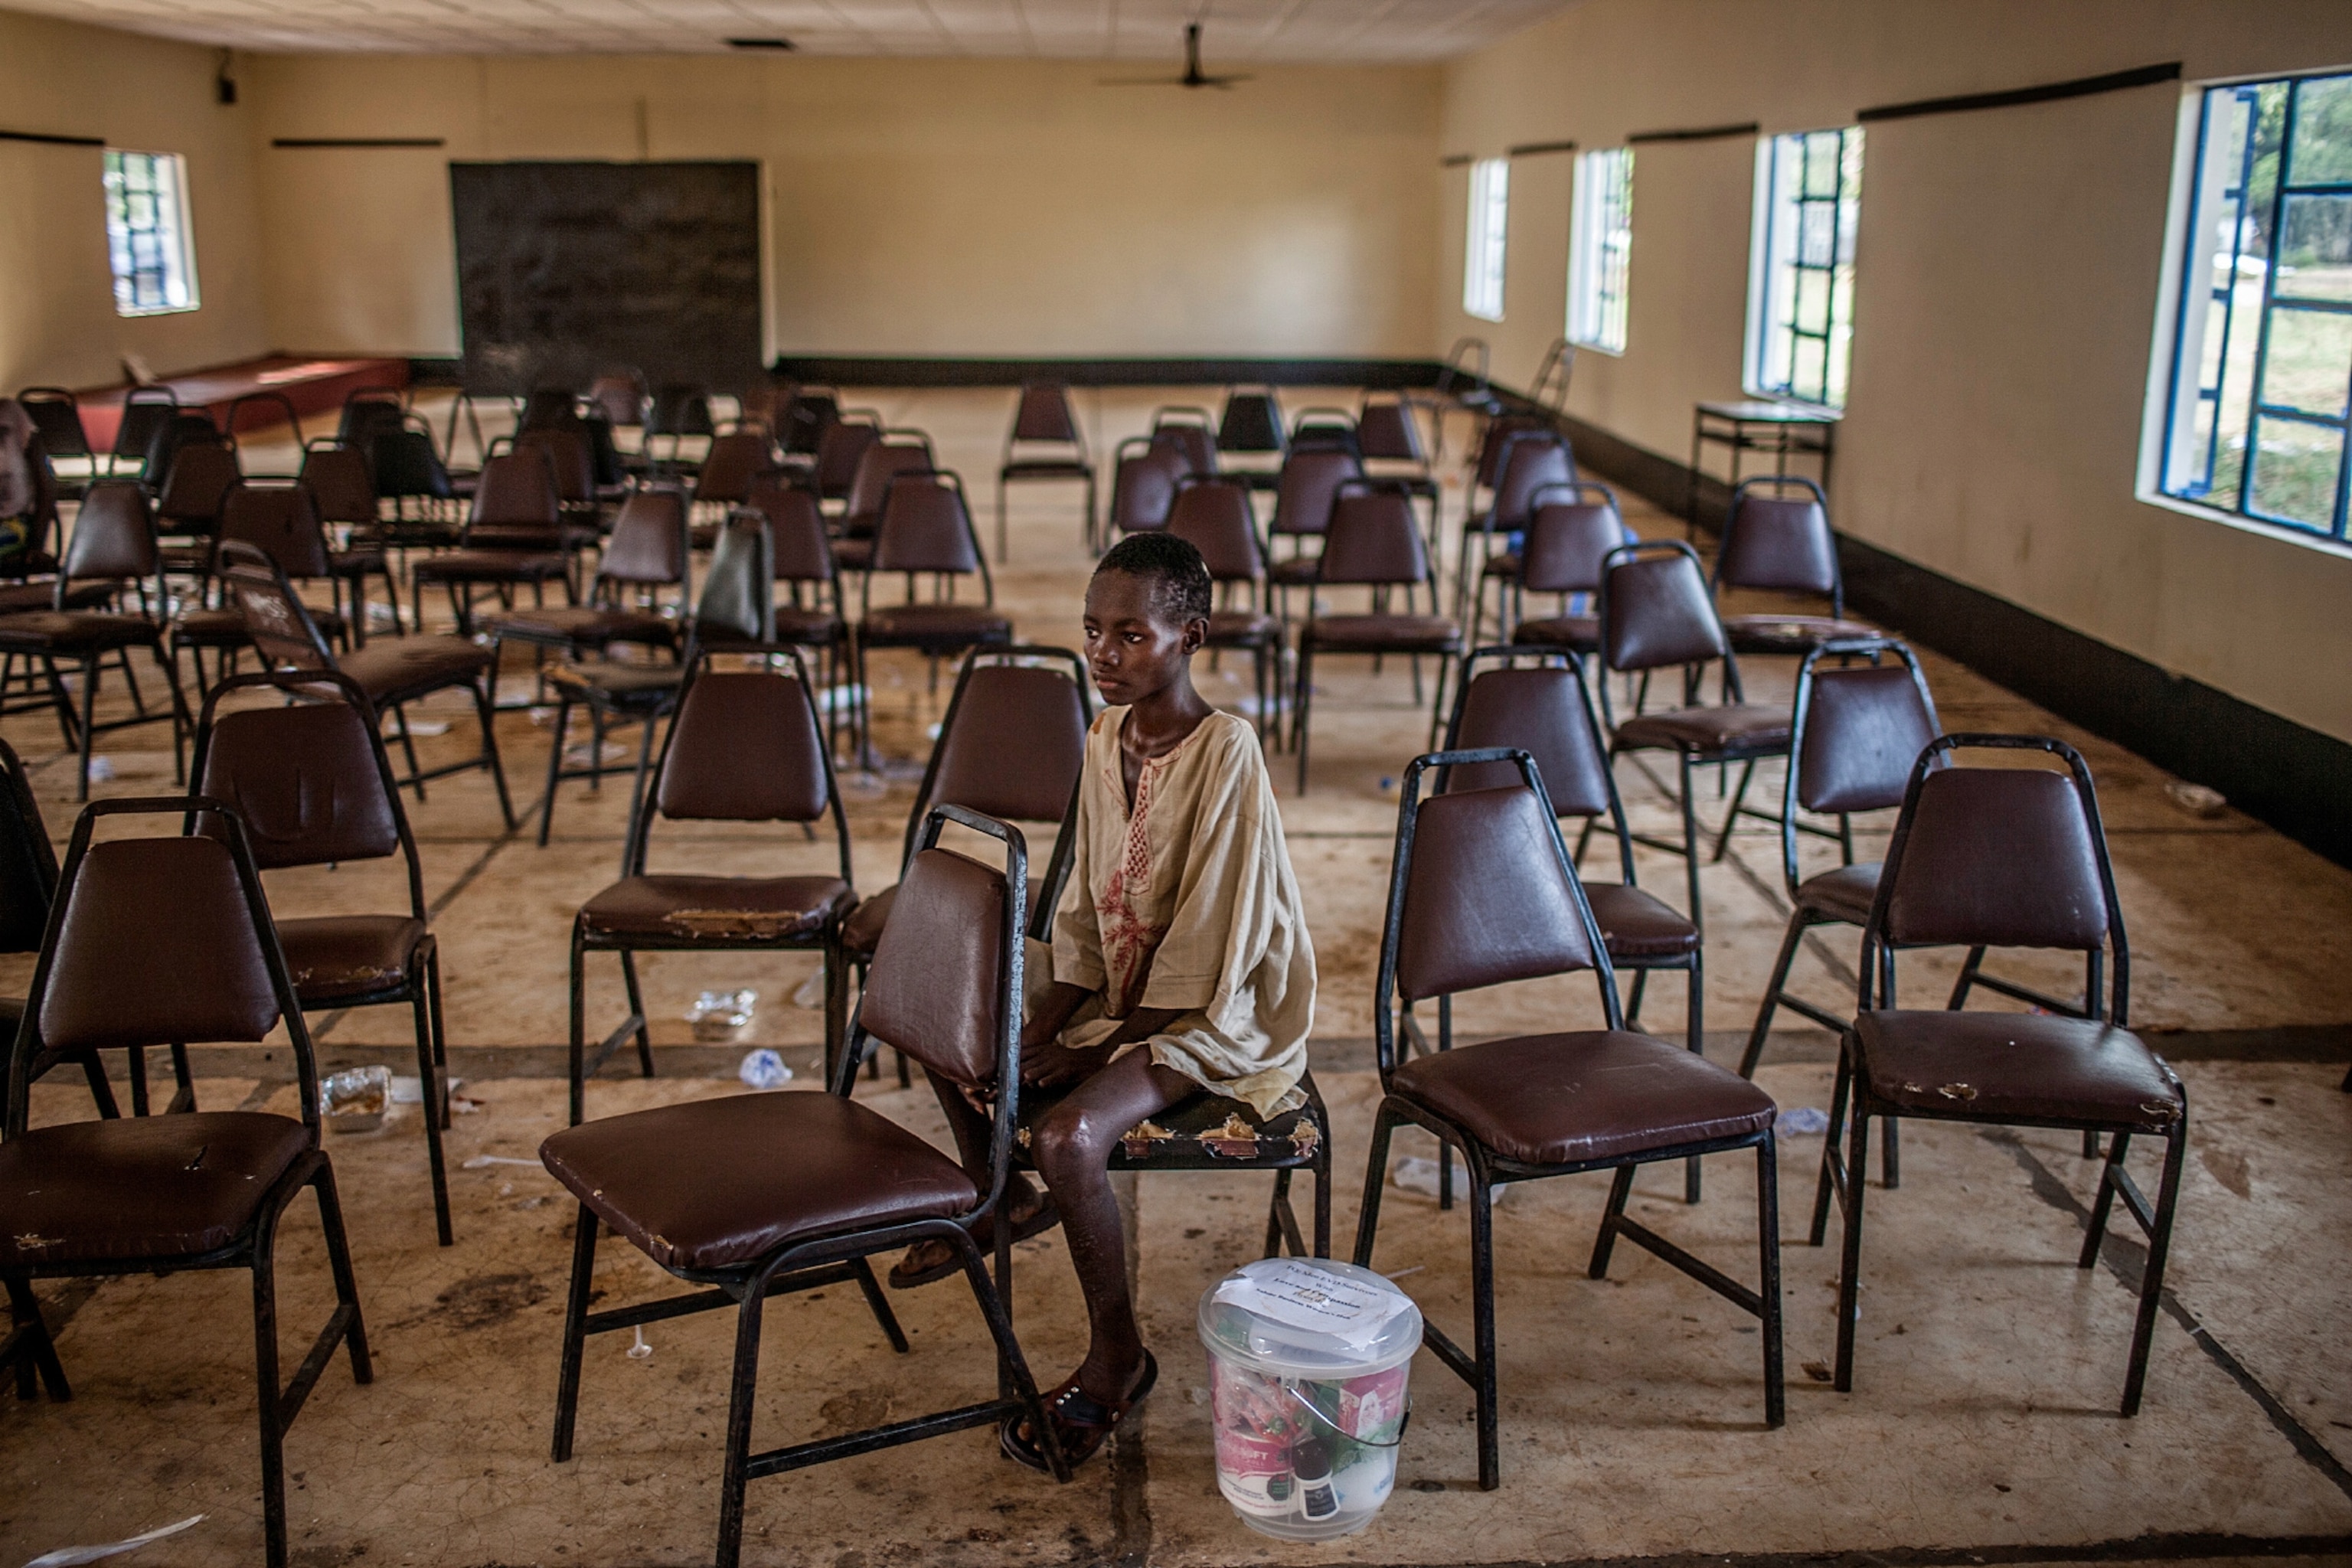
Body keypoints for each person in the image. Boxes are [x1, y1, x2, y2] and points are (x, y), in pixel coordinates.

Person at [888, 530, 1316, 1472]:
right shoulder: (1101, 732)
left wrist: (1095, 1051)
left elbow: (1217, 939)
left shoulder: (1228, 749)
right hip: (1118, 979)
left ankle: (1117, 1354)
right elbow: (1082, 906)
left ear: (1190, 635)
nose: (1104, 656)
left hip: (1213, 1004)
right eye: (1092, 633)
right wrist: (1038, 1023)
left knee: (1071, 1132)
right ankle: (1001, 1197)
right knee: (941, 1004)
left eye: (1132, 635)